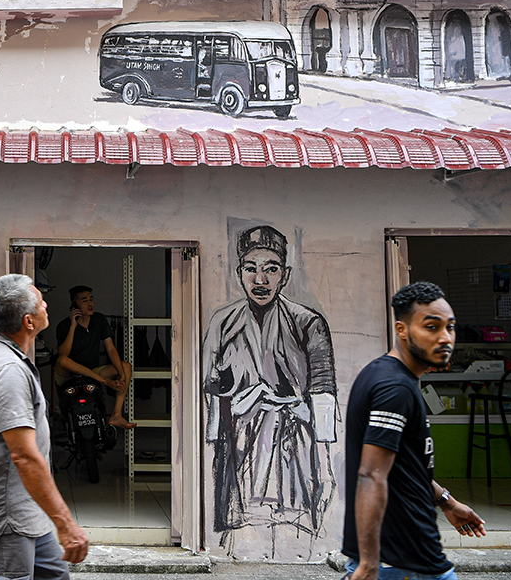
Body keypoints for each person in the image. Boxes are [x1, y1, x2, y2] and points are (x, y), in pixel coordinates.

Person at [341, 281, 487, 580]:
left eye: (450, 327)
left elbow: (404, 466)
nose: (445, 338)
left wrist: (447, 502)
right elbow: (371, 475)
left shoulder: (383, 374)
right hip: (404, 558)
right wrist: (369, 564)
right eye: (432, 327)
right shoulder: (395, 388)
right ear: (402, 329)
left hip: (400, 556)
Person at [202, 225, 337, 540]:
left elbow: (323, 392)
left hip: (294, 442)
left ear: (284, 275)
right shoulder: (222, 322)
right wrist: (219, 436)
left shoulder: (308, 322)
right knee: (238, 531)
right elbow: (211, 388)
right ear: (239, 273)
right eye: (251, 269)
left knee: (294, 526)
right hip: (238, 443)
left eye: (271, 269)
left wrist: (323, 458)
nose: (260, 280)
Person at [0, 274, 89, 580]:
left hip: (27, 513)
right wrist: (66, 523)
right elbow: (24, 456)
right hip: (4, 520)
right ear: (29, 321)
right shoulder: (8, 370)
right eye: (40, 302)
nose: (46, 305)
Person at [53, 285, 136, 429]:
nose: (90, 303)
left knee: (126, 366)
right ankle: (105, 382)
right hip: (69, 375)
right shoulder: (64, 326)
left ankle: (116, 414)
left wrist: (121, 375)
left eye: (91, 299)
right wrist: (73, 326)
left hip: (92, 372)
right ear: (74, 305)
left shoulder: (99, 319)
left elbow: (111, 348)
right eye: (84, 300)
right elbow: (63, 354)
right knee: (62, 360)